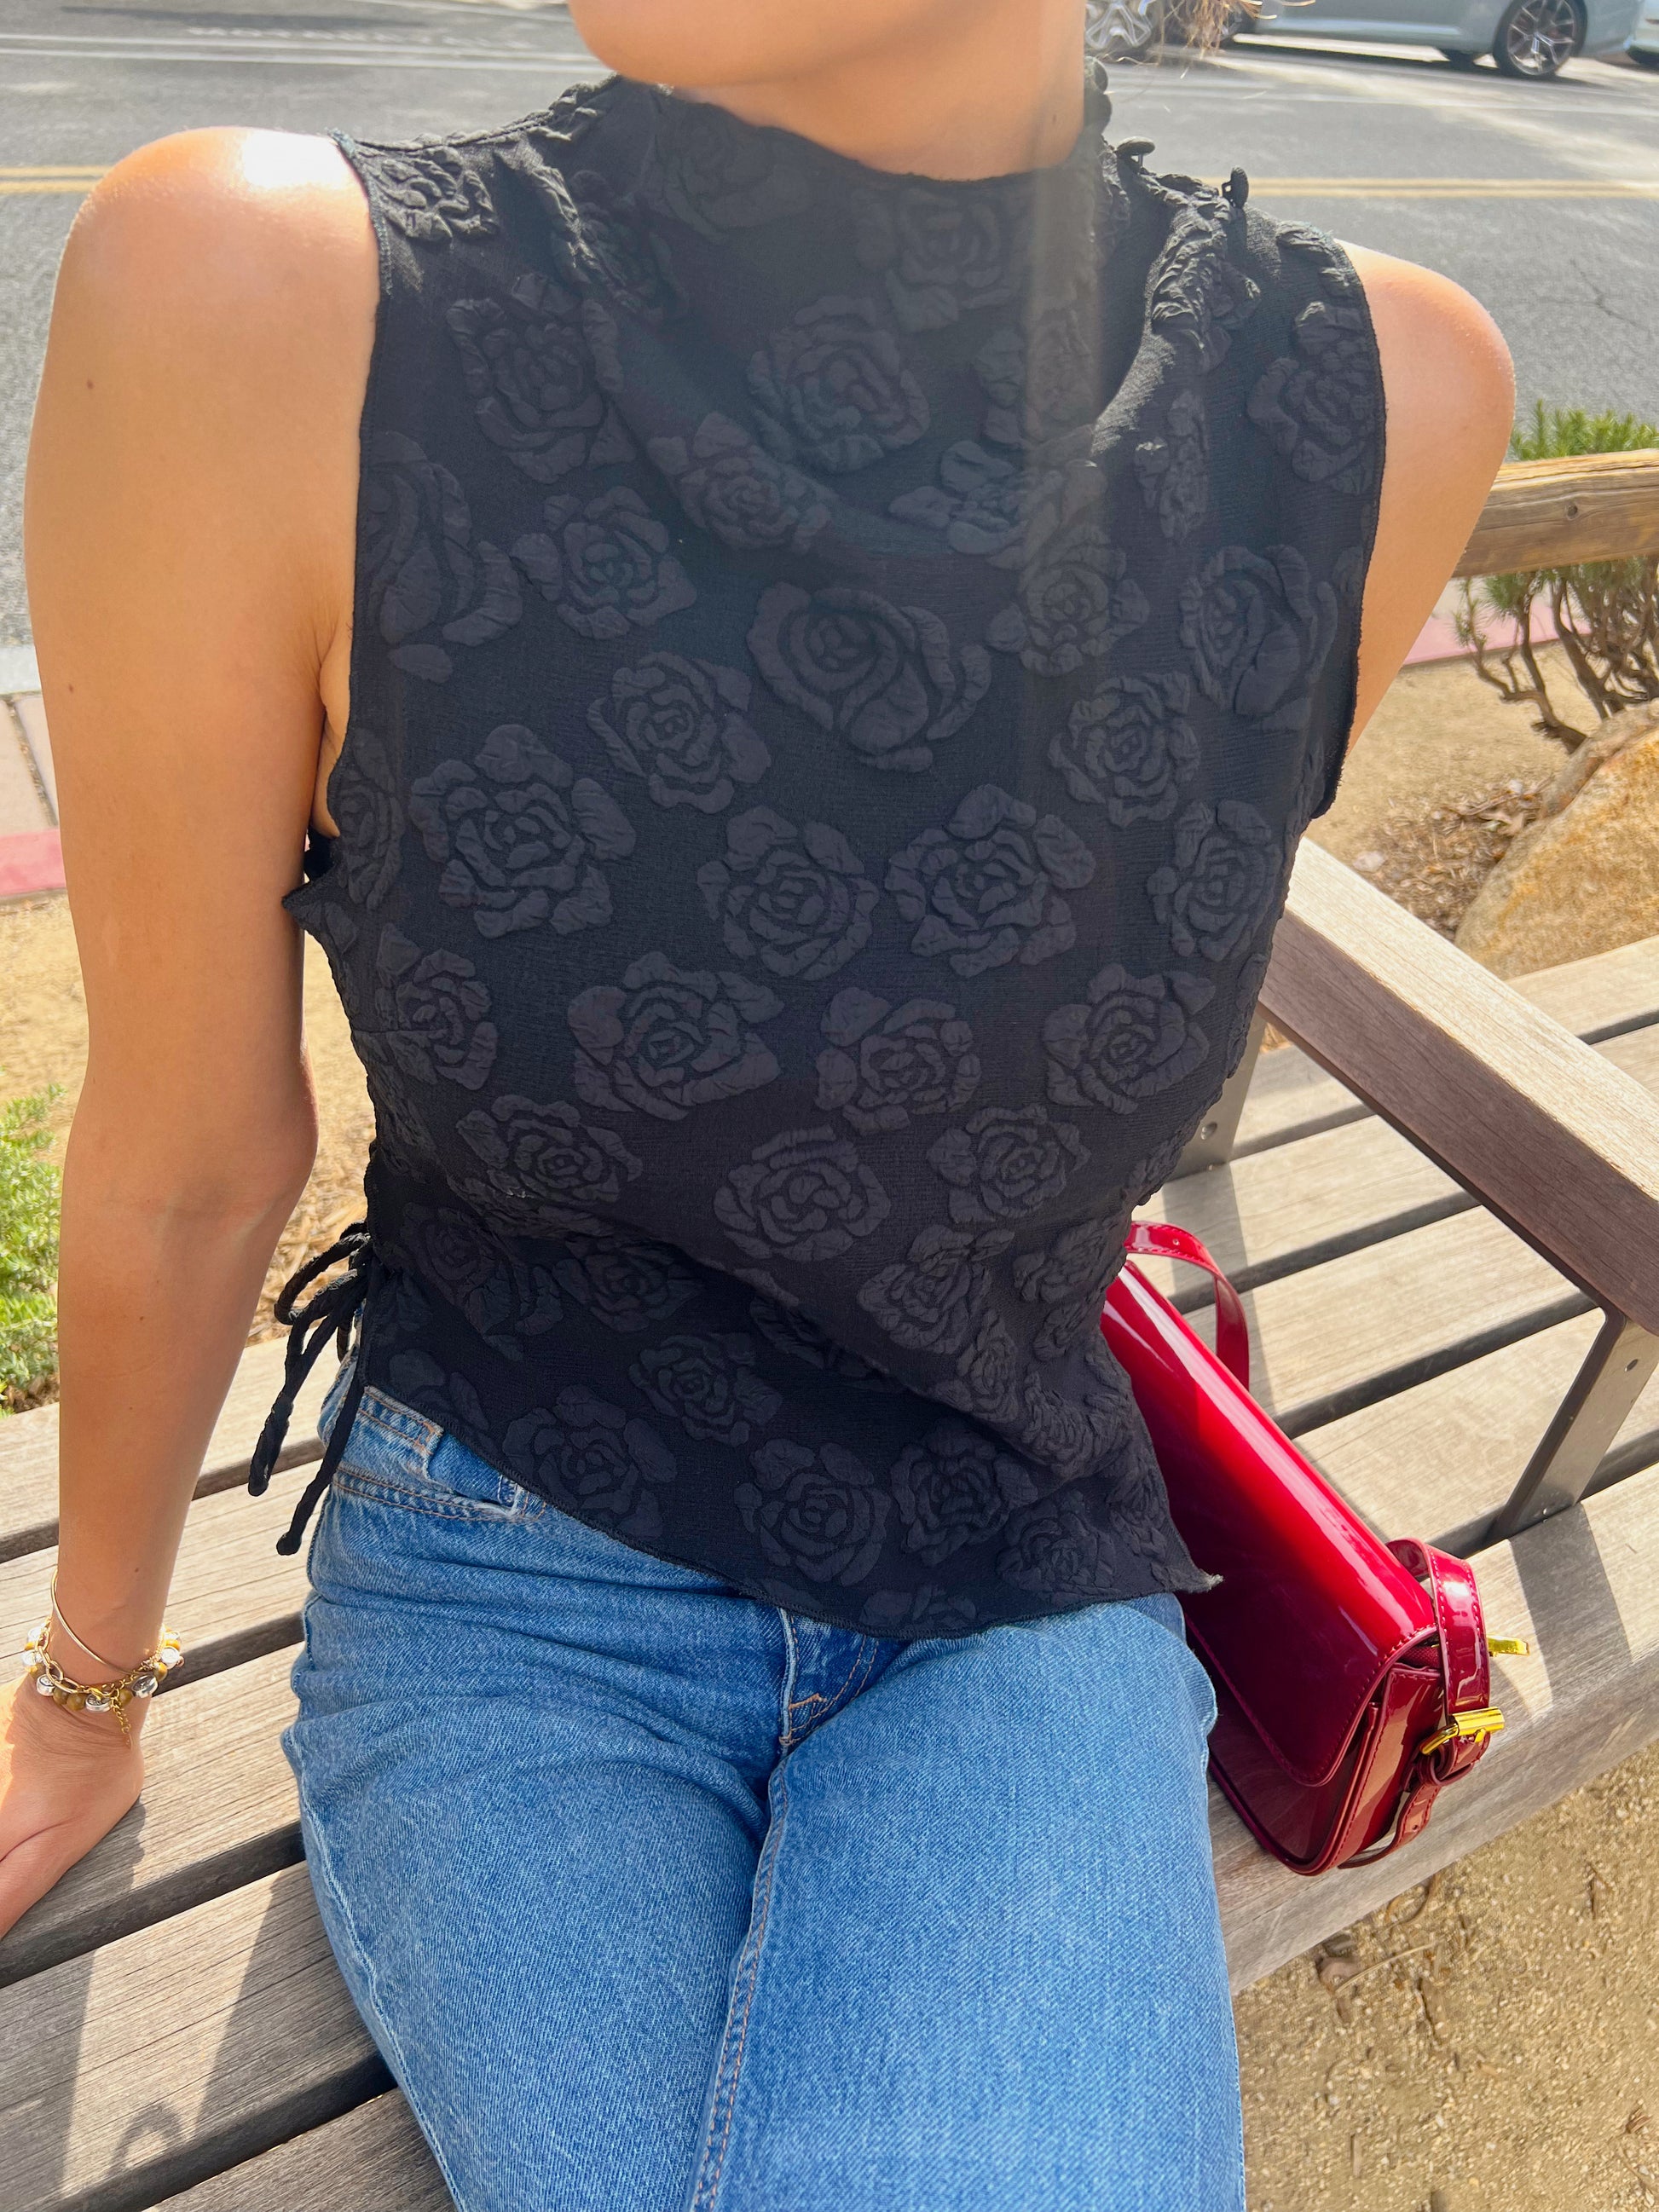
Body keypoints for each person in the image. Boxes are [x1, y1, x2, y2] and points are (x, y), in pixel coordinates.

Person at [5, 1, 1512, 2204]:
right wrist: (86, 1683)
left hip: (1018, 1581)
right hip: (516, 1567)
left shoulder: (1371, 396)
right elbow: (189, 1141)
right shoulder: (261, 296)